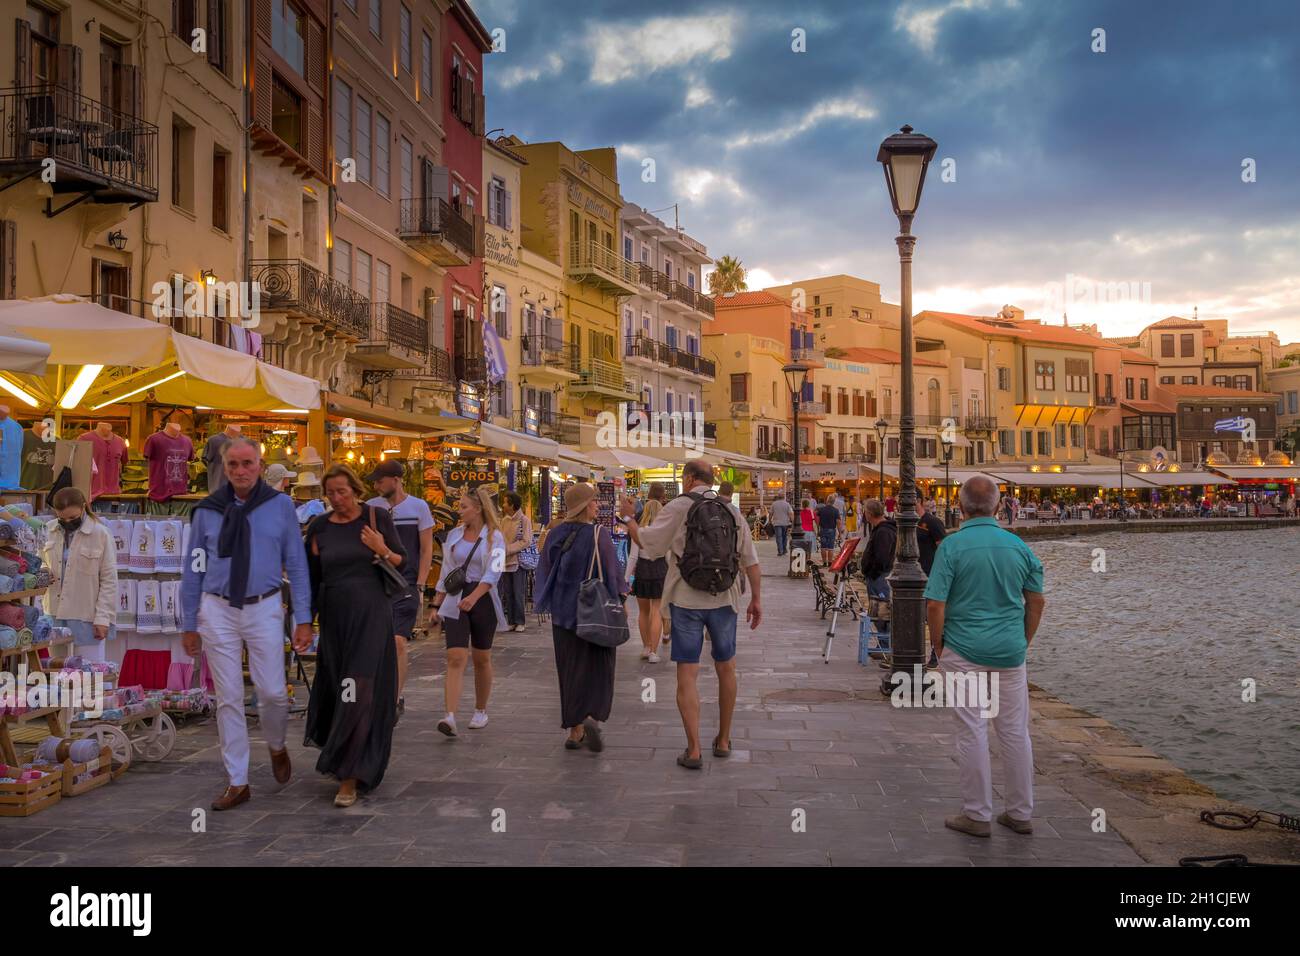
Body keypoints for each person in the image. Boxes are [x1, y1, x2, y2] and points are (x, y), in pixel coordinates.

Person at [181, 438, 313, 812]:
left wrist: (303, 617)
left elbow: (297, 563)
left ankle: (275, 743)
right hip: (217, 608)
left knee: (272, 692)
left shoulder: (281, 506)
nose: (240, 471)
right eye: (233, 465)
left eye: (247, 464)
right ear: (224, 467)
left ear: (260, 465)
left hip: (264, 605)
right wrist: (189, 620)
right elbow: (194, 567)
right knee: (228, 698)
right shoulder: (206, 511)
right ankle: (237, 780)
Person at [619, 458, 762, 769]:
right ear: (710, 481)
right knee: (727, 668)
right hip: (724, 599)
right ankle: (723, 740)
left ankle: (694, 749)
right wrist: (756, 600)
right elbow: (750, 560)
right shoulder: (730, 510)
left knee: (688, 673)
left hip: (686, 600)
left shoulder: (679, 507)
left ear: (689, 479)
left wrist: (630, 519)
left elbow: (648, 544)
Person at [925, 474, 1045, 838]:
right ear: (997, 506)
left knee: (971, 730)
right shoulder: (1018, 546)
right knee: (1014, 732)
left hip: (963, 649)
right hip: (1010, 651)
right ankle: (1020, 812)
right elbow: (1036, 600)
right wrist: (1023, 639)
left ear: (960, 507)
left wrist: (938, 646)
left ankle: (977, 814)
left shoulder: (952, 546)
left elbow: (935, 604)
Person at [302, 464, 406, 807]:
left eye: (342, 492)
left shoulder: (376, 518)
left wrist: (381, 548)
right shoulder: (319, 527)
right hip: (335, 619)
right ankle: (346, 757)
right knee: (339, 689)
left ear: (356, 491)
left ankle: (349, 777)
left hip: (371, 616)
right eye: (330, 493)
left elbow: (400, 561)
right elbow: (312, 578)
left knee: (358, 688)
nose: (336, 498)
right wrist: (304, 622)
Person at [533, 482, 628, 750]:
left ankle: (574, 730)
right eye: (594, 501)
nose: (598, 505)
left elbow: (545, 570)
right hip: (595, 612)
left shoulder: (555, 534)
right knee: (598, 668)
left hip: (564, 613)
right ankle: (591, 717)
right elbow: (612, 573)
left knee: (569, 669)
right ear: (586, 505)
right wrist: (621, 600)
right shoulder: (599, 535)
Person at [431, 486, 506, 736]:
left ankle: (480, 710)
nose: (459, 511)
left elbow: (493, 573)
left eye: (464, 507)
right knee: (455, 656)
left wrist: (474, 597)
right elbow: (447, 571)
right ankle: (449, 715)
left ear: (478, 509)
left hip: (482, 598)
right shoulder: (454, 535)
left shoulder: (495, 537)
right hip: (455, 598)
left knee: (481, 657)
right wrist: (436, 603)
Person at [365, 460, 433, 721]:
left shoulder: (418, 507)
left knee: (398, 642)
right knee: (377, 643)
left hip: (405, 583)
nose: (375, 485)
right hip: (377, 584)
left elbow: (426, 548)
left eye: (379, 480)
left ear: (395, 479)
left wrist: (421, 583)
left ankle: (394, 698)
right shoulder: (372, 507)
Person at [42, 487, 118, 661]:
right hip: (54, 615)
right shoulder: (48, 530)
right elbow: (39, 560)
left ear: (84, 507)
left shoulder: (101, 534)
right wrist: (43, 570)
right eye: (62, 519)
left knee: (89, 678)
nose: (67, 522)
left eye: (72, 518)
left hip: (87, 617)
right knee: (57, 677)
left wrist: (103, 618)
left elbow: (109, 580)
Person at [631, 493, 667, 662]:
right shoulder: (664, 532)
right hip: (660, 569)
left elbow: (632, 557)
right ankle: (654, 650)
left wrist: (625, 579)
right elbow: (669, 556)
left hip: (643, 570)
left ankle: (646, 647)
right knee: (656, 611)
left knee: (643, 611)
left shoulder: (639, 531)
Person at [498, 491, 533, 633]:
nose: (503, 505)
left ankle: (520, 621)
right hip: (504, 561)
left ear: (512, 505)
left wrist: (509, 549)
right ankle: (511, 621)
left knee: (518, 592)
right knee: (508, 592)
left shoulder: (524, 520)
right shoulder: (504, 521)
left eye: (506, 502)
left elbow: (526, 540)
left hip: (517, 561)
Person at [916, 498, 947, 576]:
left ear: (918, 501)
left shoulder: (933, 521)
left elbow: (943, 548)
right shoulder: (903, 522)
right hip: (910, 571)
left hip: (928, 572)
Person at [816, 493, 841, 565]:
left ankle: (824, 562)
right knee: (830, 547)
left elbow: (817, 518)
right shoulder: (836, 510)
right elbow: (838, 522)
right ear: (833, 502)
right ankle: (830, 562)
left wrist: (818, 528)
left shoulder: (821, 509)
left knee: (823, 547)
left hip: (823, 529)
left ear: (827, 501)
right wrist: (839, 532)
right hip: (832, 530)